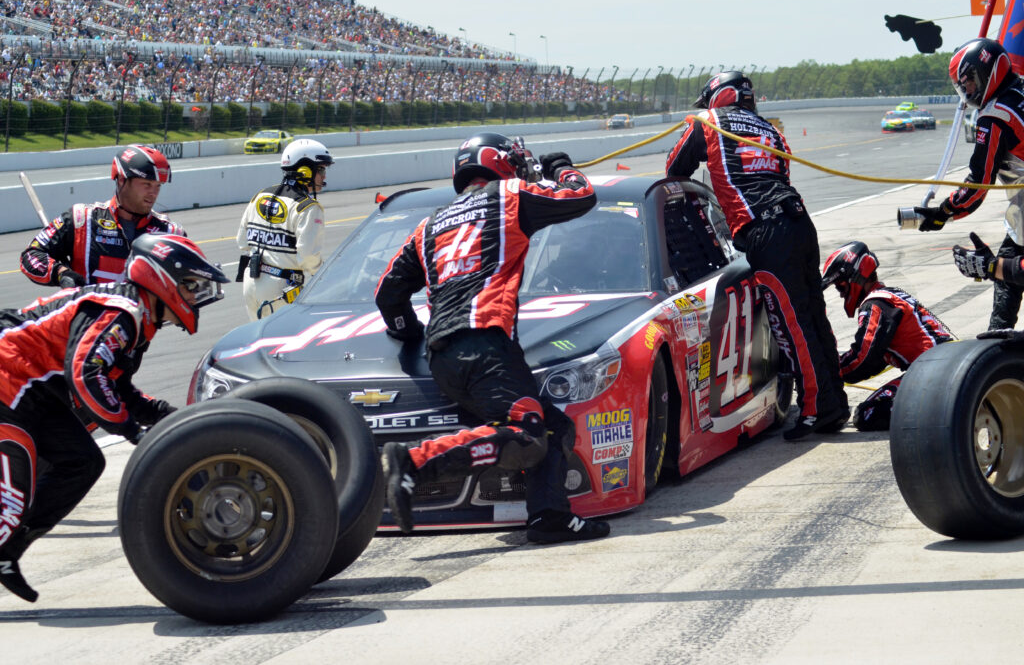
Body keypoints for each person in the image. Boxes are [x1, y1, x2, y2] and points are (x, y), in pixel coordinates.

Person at [374, 132, 610, 544]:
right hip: (485, 343)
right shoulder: (509, 194)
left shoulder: (428, 226)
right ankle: (413, 461)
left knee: (552, 427)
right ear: (498, 163)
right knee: (529, 434)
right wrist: (561, 168)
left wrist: (413, 335)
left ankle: (549, 516)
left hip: (444, 353)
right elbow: (582, 195)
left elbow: (387, 294)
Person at [0, 234, 229, 603]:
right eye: (190, 286)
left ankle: (7, 553)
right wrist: (130, 430)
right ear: (160, 279)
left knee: (83, 462)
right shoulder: (122, 311)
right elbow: (86, 375)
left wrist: (163, 416)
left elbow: (116, 386)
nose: (195, 298)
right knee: (11, 497)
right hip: (9, 374)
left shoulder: (134, 318)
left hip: (30, 384)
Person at [665, 71, 849, 440]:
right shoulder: (769, 128)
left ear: (719, 97)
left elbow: (674, 169)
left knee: (792, 326)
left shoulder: (710, 121)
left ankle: (816, 410)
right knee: (814, 317)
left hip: (768, 231)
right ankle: (835, 403)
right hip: (799, 222)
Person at [912, 38, 1024, 330]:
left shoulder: (995, 117)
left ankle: (999, 343)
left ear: (988, 71)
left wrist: (943, 212)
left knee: (1007, 266)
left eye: (970, 82)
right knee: (1009, 257)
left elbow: (977, 185)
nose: (967, 92)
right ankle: (999, 337)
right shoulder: (1020, 87)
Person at [822, 241, 955, 431]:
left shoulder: (876, 304)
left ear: (856, 277)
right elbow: (874, 361)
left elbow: (862, 359)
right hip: (941, 369)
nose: (842, 295)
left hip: (934, 375)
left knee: (867, 414)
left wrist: (825, 372)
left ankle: (941, 409)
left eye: (840, 287)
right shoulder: (890, 295)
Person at [20, 144, 182, 289]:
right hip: (87, 320)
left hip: (140, 322)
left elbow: (190, 284)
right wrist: (61, 273)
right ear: (121, 179)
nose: (153, 193)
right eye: (146, 184)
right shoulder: (81, 219)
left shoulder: (170, 232)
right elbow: (31, 255)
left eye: (158, 186)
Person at [236, 138, 333, 320]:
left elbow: (242, 241)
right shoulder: (308, 207)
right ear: (304, 170)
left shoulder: (260, 195)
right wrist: (324, 277)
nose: (324, 176)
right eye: (320, 169)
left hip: (250, 280)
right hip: (282, 288)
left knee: (259, 342)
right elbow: (308, 257)